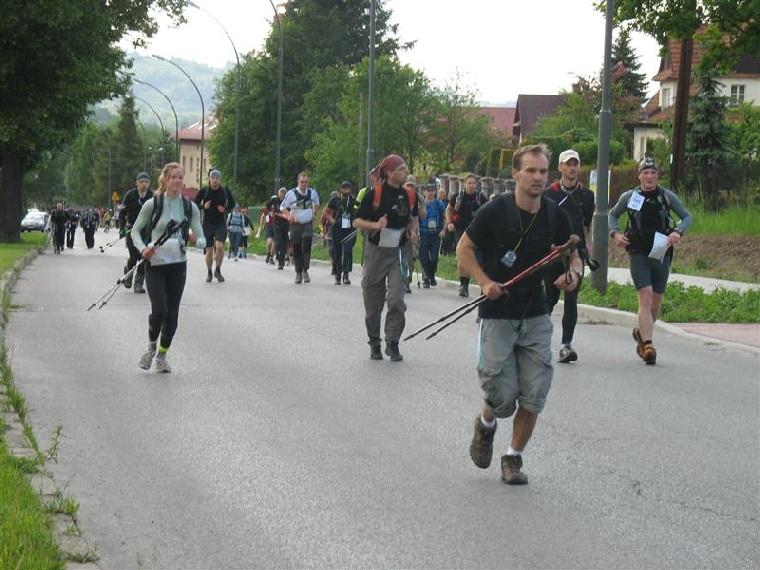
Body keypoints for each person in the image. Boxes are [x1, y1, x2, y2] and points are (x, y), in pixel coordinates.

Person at [458, 144, 582, 485]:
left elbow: (573, 254)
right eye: (531, 171)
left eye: (543, 172)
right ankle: (485, 422)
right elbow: (463, 250)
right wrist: (484, 282)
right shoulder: (494, 211)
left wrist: (573, 274)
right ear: (515, 174)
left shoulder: (556, 215)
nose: (538, 177)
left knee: (534, 391)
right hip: (497, 314)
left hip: (536, 314)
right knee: (502, 398)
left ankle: (512, 458)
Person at [609, 157, 693, 365]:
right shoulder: (630, 196)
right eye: (645, 172)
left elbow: (687, 217)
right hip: (638, 252)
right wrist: (615, 234)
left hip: (661, 252)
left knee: (655, 302)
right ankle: (647, 344)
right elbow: (612, 215)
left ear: (658, 176)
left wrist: (677, 232)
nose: (649, 176)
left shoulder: (666, 196)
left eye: (653, 173)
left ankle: (641, 331)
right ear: (639, 176)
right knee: (645, 297)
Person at [131, 162, 205, 373]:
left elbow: (201, 236)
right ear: (165, 180)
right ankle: (151, 347)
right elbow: (135, 231)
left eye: (181, 177)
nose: (178, 181)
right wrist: (143, 248)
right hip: (155, 263)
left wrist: (196, 240)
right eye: (174, 177)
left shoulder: (189, 206)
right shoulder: (153, 204)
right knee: (159, 310)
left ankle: (162, 356)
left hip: (177, 264)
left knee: (172, 315)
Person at [353, 154, 418, 362]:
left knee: (397, 299)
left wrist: (413, 230)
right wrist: (375, 225)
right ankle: (374, 343)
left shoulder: (409, 195)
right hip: (376, 252)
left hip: (399, 252)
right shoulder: (374, 194)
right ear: (389, 173)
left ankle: (393, 342)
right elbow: (357, 221)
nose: (406, 171)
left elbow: (413, 217)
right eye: (402, 168)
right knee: (373, 304)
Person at [542, 149, 596, 363]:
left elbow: (586, 225)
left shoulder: (586, 196)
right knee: (550, 298)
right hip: (554, 253)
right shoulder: (549, 194)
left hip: (576, 254)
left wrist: (588, 250)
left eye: (575, 164)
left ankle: (566, 345)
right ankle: (538, 341)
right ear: (560, 168)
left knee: (572, 298)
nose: (572, 168)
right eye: (568, 164)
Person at [447, 173, 486, 297]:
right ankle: (464, 286)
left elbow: (488, 212)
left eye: (474, 183)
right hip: (461, 230)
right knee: (464, 258)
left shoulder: (481, 197)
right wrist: (449, 223)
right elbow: (449, 209)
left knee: (481, 259)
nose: (471, 186)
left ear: (477, 184)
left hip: (478, 231)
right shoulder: (458, 197)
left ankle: (483, 286)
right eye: (469, 183)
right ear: (465, 184)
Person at [194, 169, 235, 283]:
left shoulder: (225, 191)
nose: (215, 180)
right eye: (213, 178)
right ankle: (209, 272)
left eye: (217, 178)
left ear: (220, 180)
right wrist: (203, 206)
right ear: (210, 179)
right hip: (207, 223)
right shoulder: (204, 191)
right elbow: (194, 204)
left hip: (220, 223)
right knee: (209, 251)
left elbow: (232, 204)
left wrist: (225, 209)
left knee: (220, 246)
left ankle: (217, 269)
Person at [280, 172, 320, 284]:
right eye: (302, 182)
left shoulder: (312, 193)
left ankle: (305, 270)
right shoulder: (291, 193)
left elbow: (316, 203)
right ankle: (298, 272)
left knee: (307, 243)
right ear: (298, 182)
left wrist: (314, 214)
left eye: (306, 182)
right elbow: (282, 207)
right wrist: (289, 216)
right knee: (296, 247)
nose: (304, 184)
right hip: (295, 224)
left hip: (307, 223)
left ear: (308, 182)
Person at [121, 172, 154, 293]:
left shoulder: (152, 196)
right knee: (134, 256)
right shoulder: (130, 195)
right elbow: (121, 212)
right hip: (132, 229)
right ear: (137, 183)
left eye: (146, 182)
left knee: (144, 257)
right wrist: (121, 228)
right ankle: (128, 272)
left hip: (146, 231)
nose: (143, 184)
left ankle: (139, 283)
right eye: (141, 182)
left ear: (149, 183)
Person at [326, 181, 357, 285]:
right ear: (340, 189)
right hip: (337, 228)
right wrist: (331, 220)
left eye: (348, 188)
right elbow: (326, 212)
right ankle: (338, 275)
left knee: (348, 251)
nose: (346, 190)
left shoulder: (353, 201)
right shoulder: (335, 200)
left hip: (349, 229)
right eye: (344, 188)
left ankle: (346, 275)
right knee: (337, 252)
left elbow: (359, 211)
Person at [418, 183, 447, 288]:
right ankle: (426, 277)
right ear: (424, 192)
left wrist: (444, 230)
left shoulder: (439, 204)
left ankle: (431, 274)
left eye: (432, 191)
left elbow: (445, 218)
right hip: (423, 233)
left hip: (436, 234)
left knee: (434, 259)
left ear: (435, 192)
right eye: (428, 191)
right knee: (424, 257)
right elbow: (416, 219)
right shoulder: (420, 205)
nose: (430, 193)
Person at [270, 188, 290, 270]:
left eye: (283, 194)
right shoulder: (275, 201)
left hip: (285, 224)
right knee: (279, 243)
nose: (281, 195)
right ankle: (279, 258)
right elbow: (271, 209)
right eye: (280, 193)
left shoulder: (288, 202)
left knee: (285, 243)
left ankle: (281, 262)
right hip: (277, 224)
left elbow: (289, 213)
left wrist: (281, 215)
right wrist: (272, 213)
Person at [259, 198, 277, 264]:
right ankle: (269, 253)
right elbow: (262, 217)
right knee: (269, 242)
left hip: (277, 227)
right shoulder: (266, 209)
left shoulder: (278, 208)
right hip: (269, 226)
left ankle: (271, 257)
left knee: (274, 243)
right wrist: (261, 227)